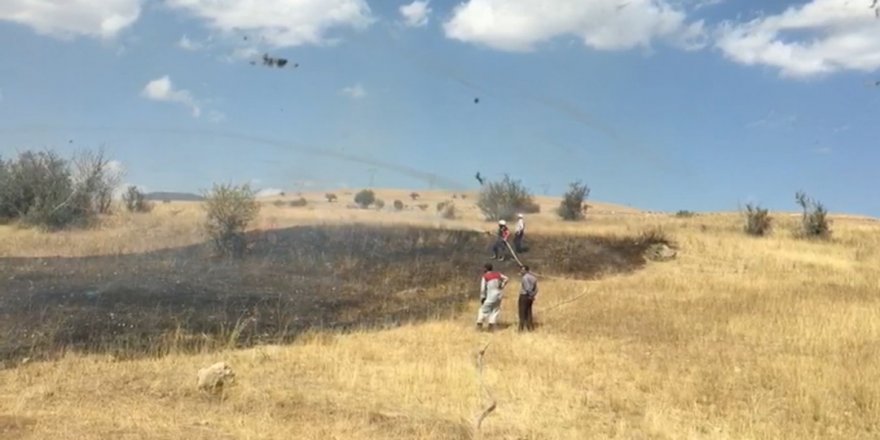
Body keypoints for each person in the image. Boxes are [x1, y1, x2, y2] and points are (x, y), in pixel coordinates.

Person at [477, 263, 509, 332]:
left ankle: (479, 324)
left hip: (490, 295)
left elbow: (482, 289)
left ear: (486, 268)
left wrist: (482, 297)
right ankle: (491, 326)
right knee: (495, 310)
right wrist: (502, 286)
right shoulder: (497, 274)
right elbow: (506, 278)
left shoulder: (485, 276)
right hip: (498, 295)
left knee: (483, 310)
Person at [518, 265, 538, 332]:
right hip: (530, 297)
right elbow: (536, 289)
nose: (521, 271)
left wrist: (530, 295)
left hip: (524, 296)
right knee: (529, 312)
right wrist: (533, 295)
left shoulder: (525, 278)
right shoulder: (534, 278)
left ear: (526, 270)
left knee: (522, 313)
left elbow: (527, 288)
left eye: (522, 270)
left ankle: (521, 329)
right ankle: (530, 328)